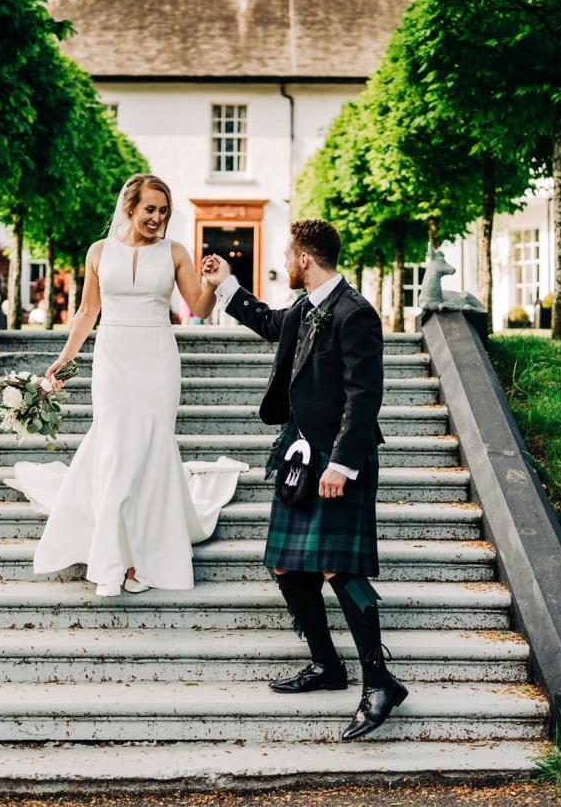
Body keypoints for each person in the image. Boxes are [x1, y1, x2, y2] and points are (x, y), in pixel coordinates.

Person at [202, 219, 403, 743]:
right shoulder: (307, 308)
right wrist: (228, 284)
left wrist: (342, 464)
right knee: (289, 567)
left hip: (337, 460)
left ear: (305, 259)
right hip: (299, 455)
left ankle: (379, 683)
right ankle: (327, 666)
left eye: (289, 257)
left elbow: (364, 396)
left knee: (341, 569)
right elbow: (271, 323)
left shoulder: (354, 313)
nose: (286, 265)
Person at [9, 174, 244, 597]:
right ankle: (112, 560)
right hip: (113, 358)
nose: (157, 217)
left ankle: (141, 559)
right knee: (116, 449)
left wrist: (210, 283)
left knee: (151, 448)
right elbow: (86, 312)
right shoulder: (99, 252)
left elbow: (200, 309)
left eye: (164, 211)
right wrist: (63, 361)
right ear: (130, 207)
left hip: (157, 358)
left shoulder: (175, 252)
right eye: (150, 209)